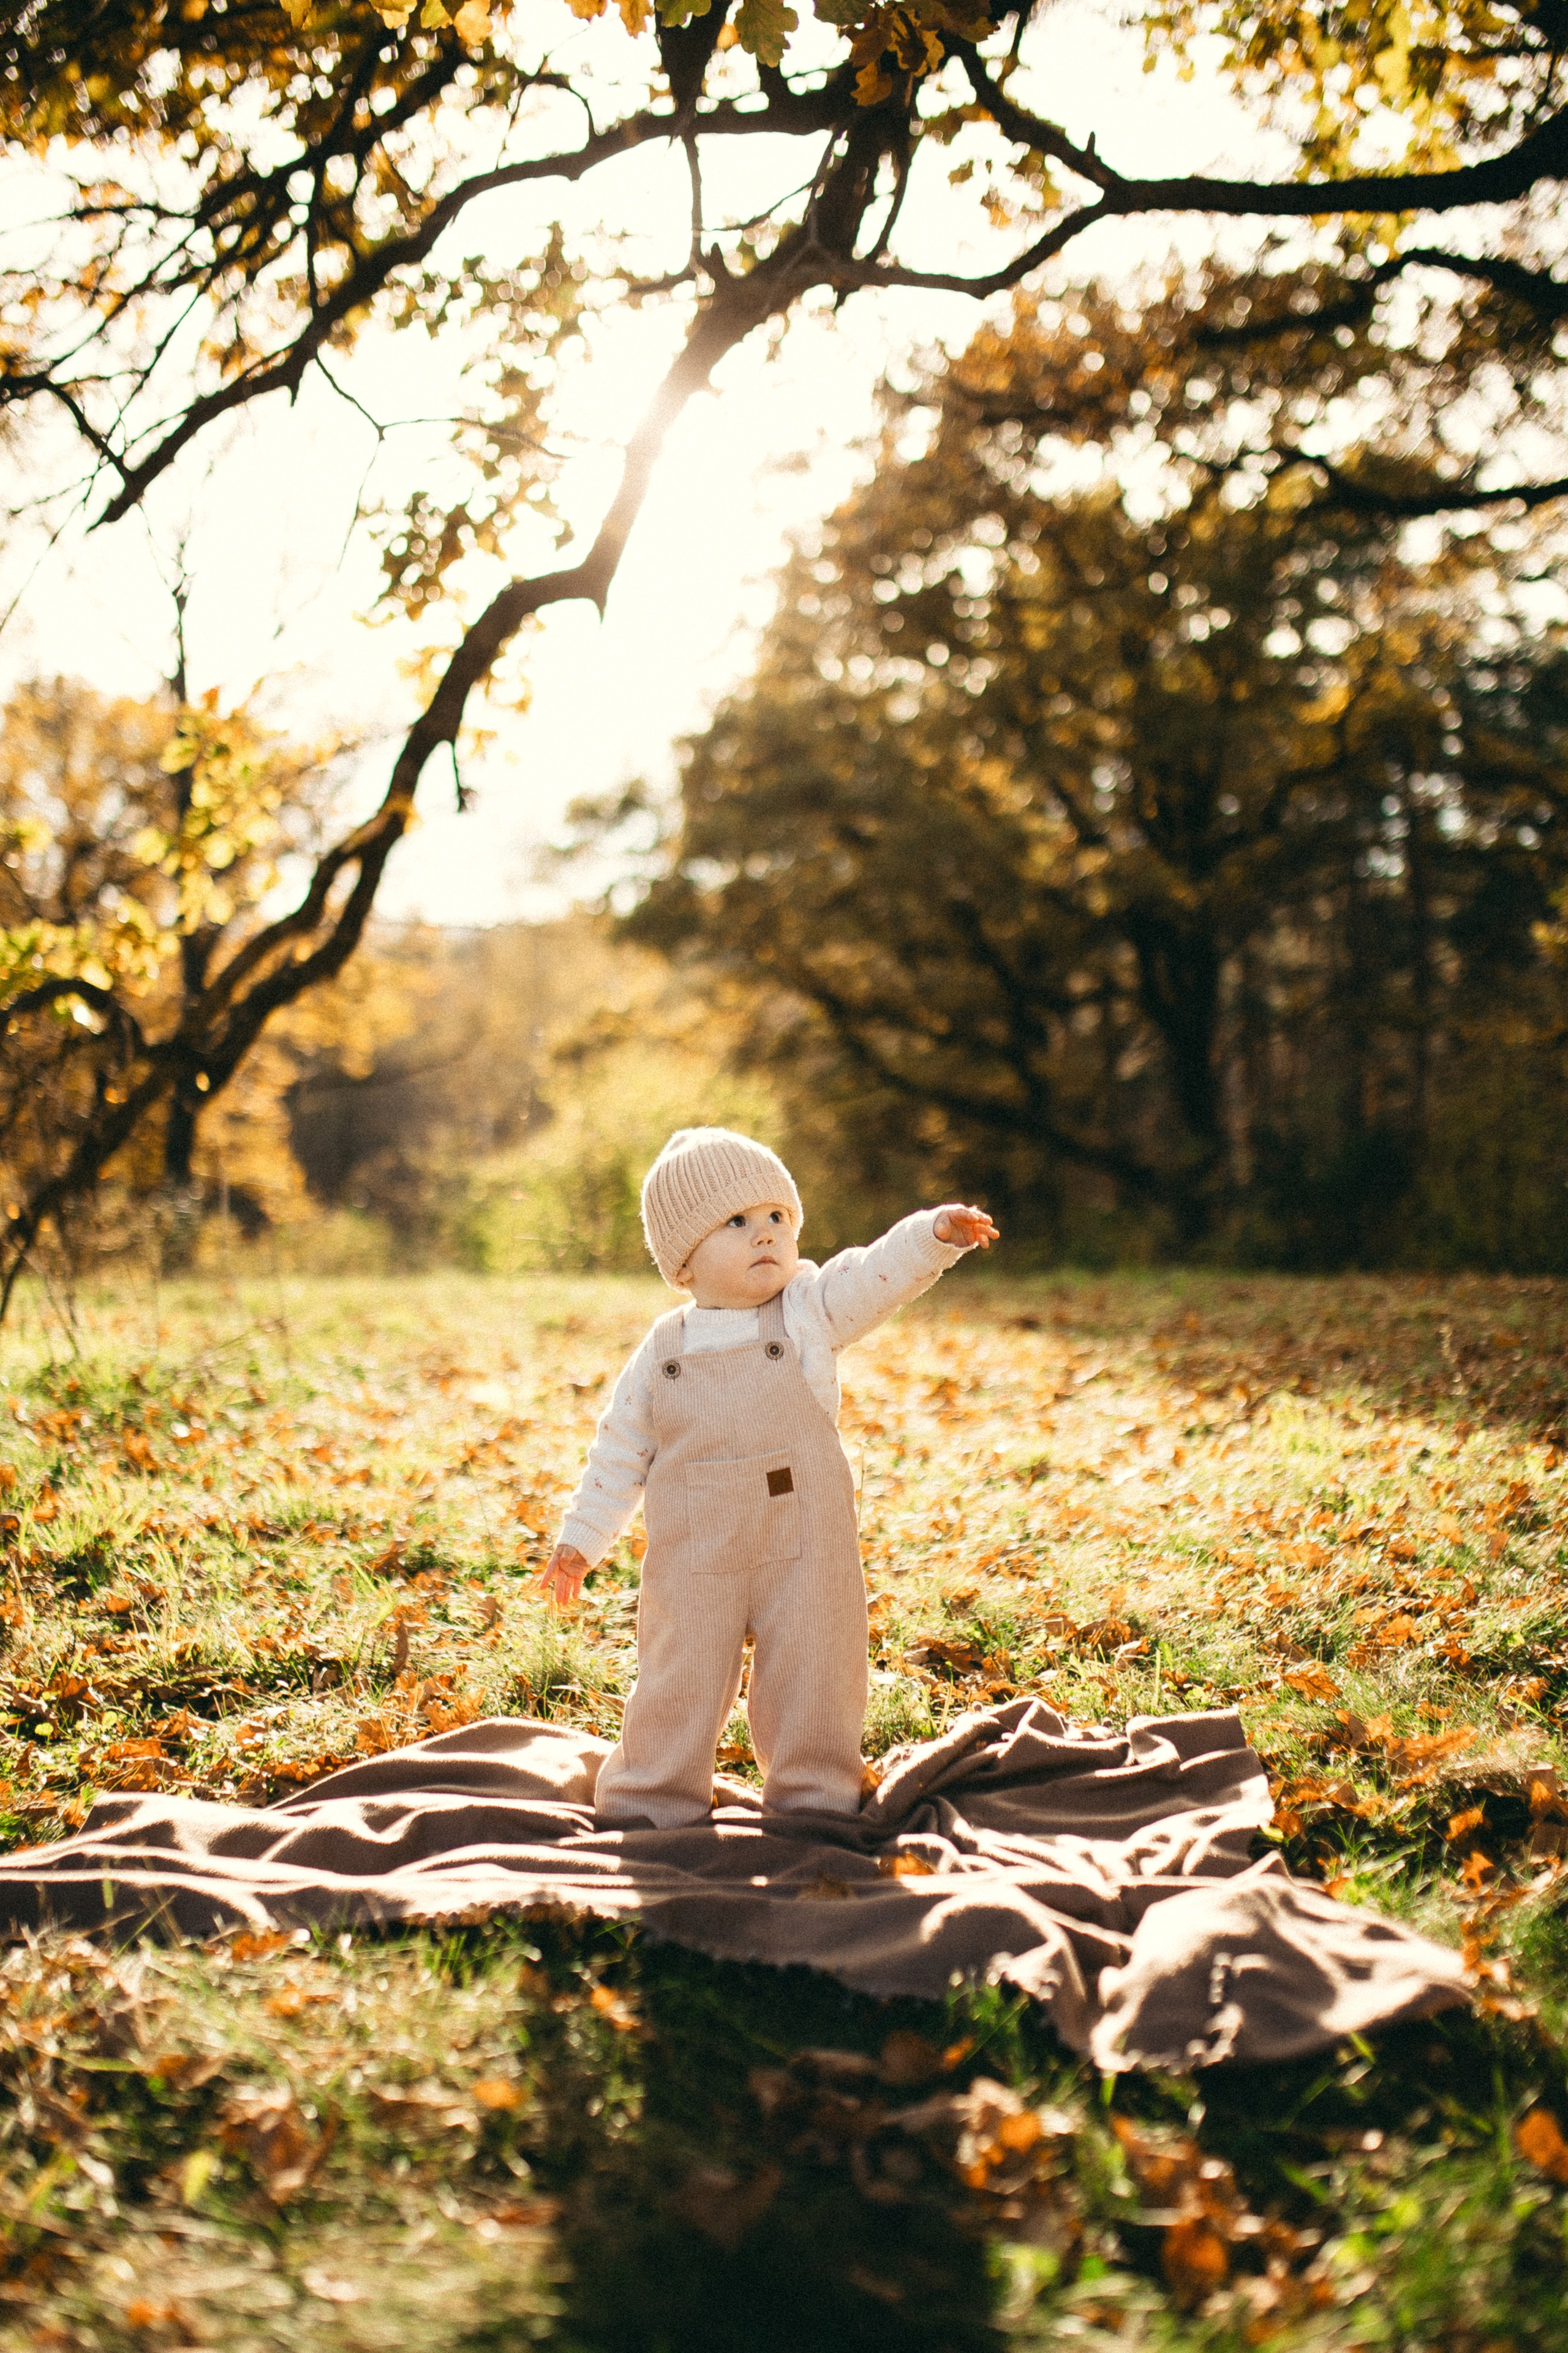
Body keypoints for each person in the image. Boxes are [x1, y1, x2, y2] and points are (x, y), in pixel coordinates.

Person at [536, 1127, 998, 1827]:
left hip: (804, 1537)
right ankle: (651, 1800)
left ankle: (814, 1798)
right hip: (694, 1551)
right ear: (683, 1263)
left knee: (816, 1668)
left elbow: (870, 1274)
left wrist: (932, 1236)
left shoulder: (809, 1311)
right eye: (737, 1222)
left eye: (778, 1217)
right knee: (677, 1674)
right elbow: (619, 1450)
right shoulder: (663, 1350)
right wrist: (580, 1541)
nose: (767, 1235)